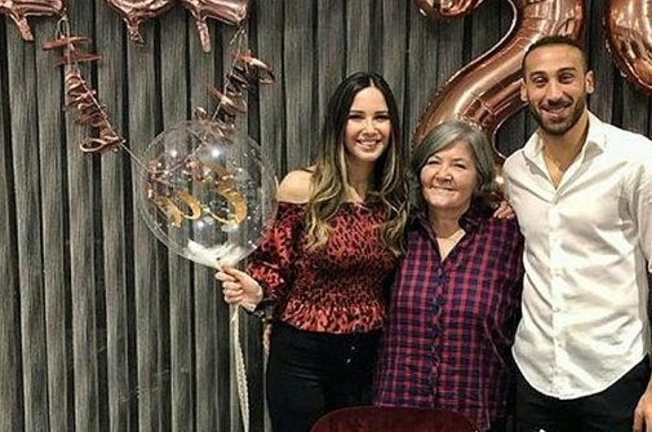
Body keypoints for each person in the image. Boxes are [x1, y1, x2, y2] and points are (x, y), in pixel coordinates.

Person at [502, 36, 652, 432]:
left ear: (588, 82)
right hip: (534, 379)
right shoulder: (516, 171)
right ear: (524, 91)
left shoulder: (637, 161)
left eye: (566, 77)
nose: (553, 93)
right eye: (539, 81)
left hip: (613, 379)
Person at [215, 72, 409, 432]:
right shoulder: (302, 186)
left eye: (381, 117)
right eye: (356, 117)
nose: (370, 129)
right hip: (303, 357)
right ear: (338, 124)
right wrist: (257, 292)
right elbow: (273, 263)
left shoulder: (395, 196)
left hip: (370, 358)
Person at [374, 121, 525, 432]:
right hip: (397, 415)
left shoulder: (507, 236)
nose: (443, 174)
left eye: (459, 165)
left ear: (480, 176)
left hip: (474, 417)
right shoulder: (396, 233)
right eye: (433, 162)